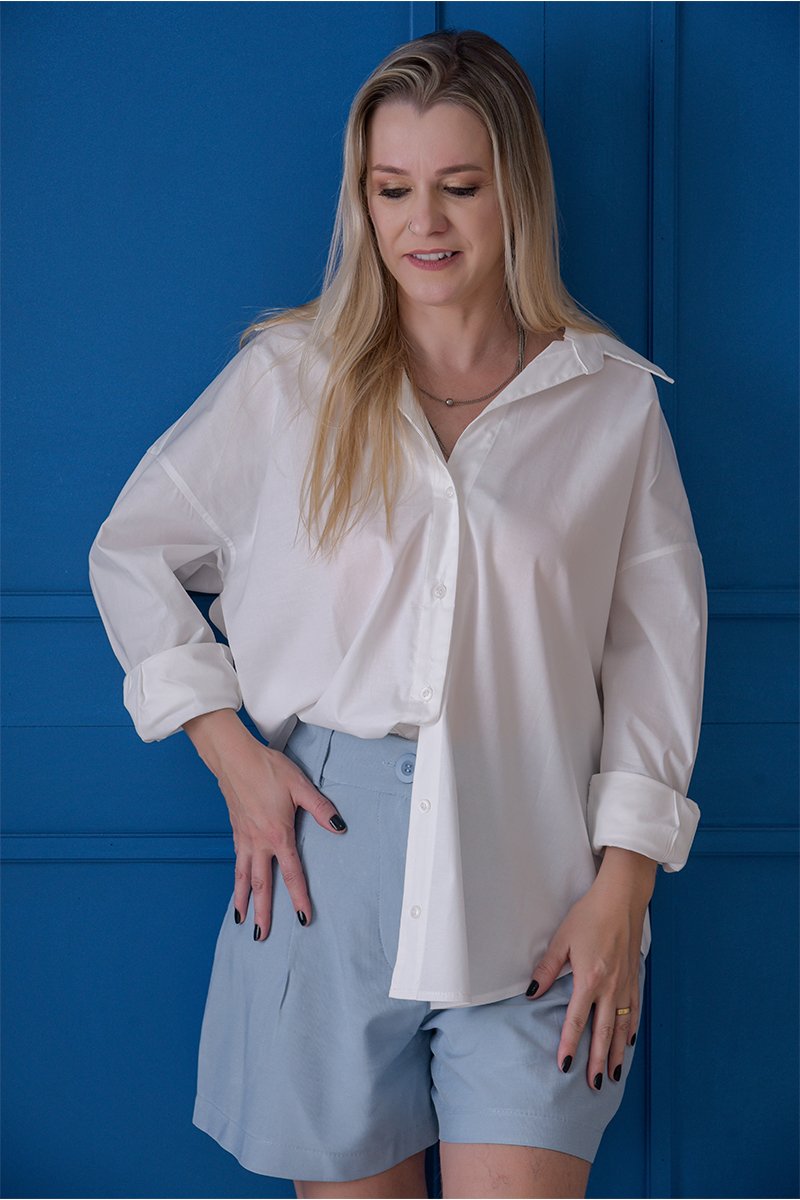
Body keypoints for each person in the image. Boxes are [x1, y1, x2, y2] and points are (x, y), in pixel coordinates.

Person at [88, 28, 707, 1200]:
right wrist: (230, 756)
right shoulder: (289, 380)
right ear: (362, 200)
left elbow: (653, 660)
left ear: (514, 193)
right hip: (324, 868)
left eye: (458, 187)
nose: (424, 223)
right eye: (391, 189)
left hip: (537, 885)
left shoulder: (609, 405)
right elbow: (130, 555)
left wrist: (622, 887)